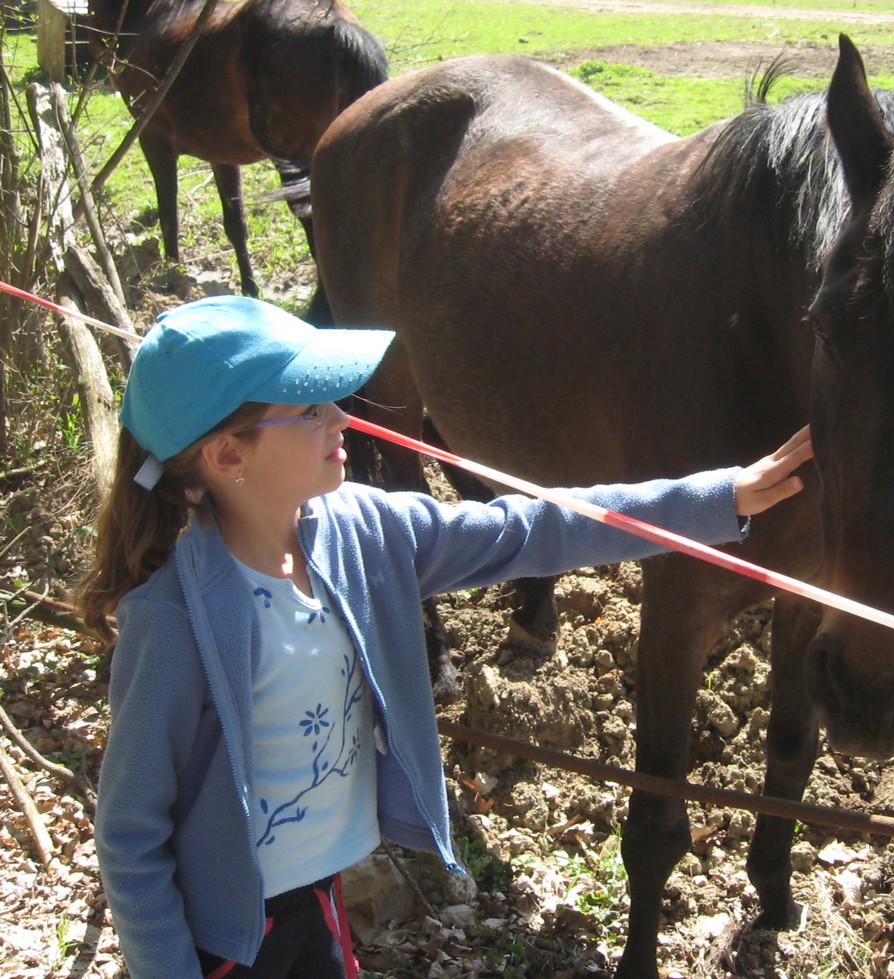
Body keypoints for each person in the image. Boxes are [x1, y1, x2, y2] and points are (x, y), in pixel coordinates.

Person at [77, 295, 813, 979]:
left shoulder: (365, 531)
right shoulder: (173, 619)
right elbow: (131, 837)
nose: (342, 418)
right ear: (227, 455)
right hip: (227, 939)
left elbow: (533, 528)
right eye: (308, 409)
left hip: (320, 899)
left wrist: (717, 499)